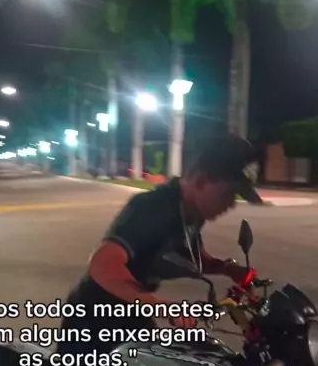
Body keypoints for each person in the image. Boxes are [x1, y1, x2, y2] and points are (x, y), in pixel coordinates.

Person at [59, 134, 264, 353]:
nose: (231, 205)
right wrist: (163, 306)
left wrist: (228, 269)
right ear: (202, 182)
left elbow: (192, 258)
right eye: (228, 195)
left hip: (133, 313)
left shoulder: (191, 212)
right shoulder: (153, 208)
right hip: (94, 320)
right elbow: (103, 264)